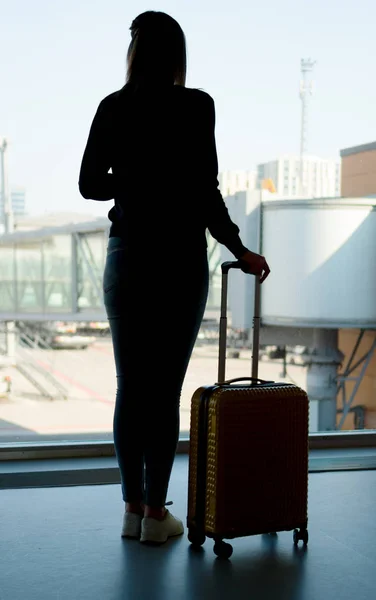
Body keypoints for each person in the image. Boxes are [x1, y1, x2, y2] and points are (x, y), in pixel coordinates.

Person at [78, 10, 270, 545]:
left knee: (129, 389)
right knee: (162, 394)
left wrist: (134, 176)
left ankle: (133, 510)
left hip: (128, 255)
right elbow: (206, 192)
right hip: (179, 261)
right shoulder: (196, 105)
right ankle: (156, 518)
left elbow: (90, 185)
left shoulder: (113, 108)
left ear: (134, 53)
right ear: (178, 56)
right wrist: (240, 249)